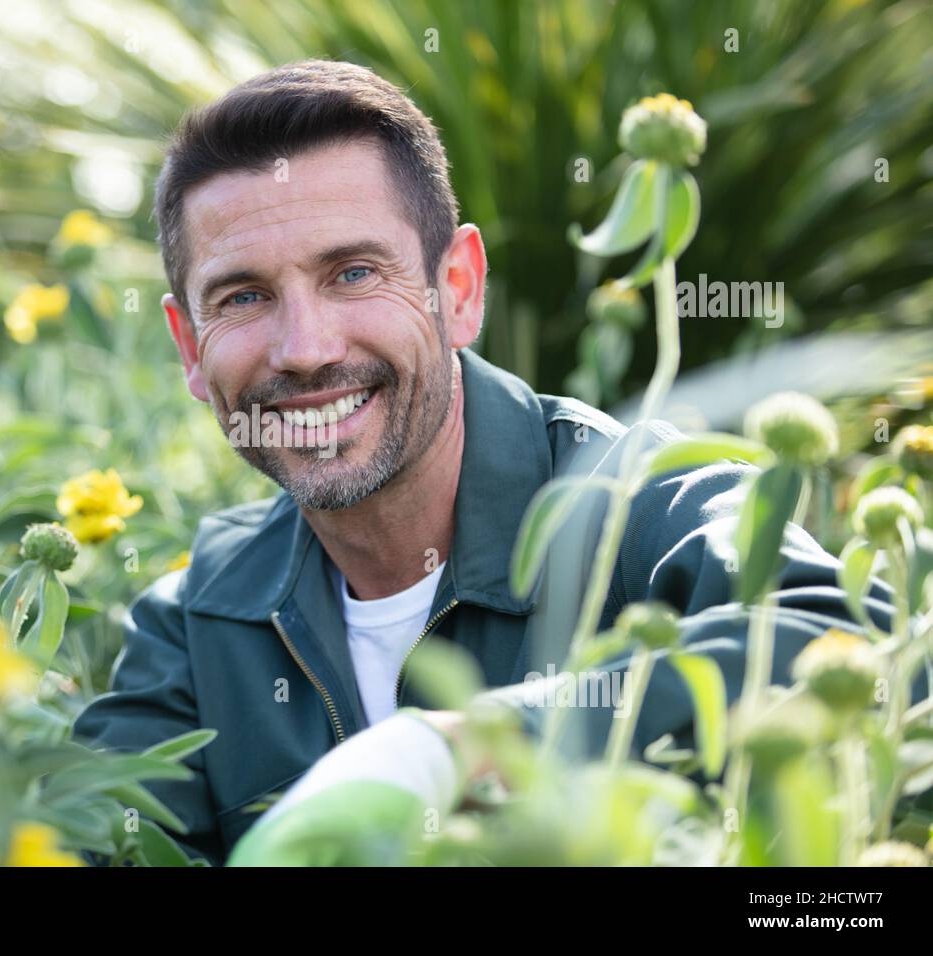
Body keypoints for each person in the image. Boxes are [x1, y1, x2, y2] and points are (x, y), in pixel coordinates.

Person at [71, 59, 894, 866]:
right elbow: (86, 837)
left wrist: (461, 748)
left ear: (458, 289)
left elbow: (878, 650)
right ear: (189, 347)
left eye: (354, 273)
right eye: (244, 297)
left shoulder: (644, 506)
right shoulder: (194, 624)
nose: (306, 350)